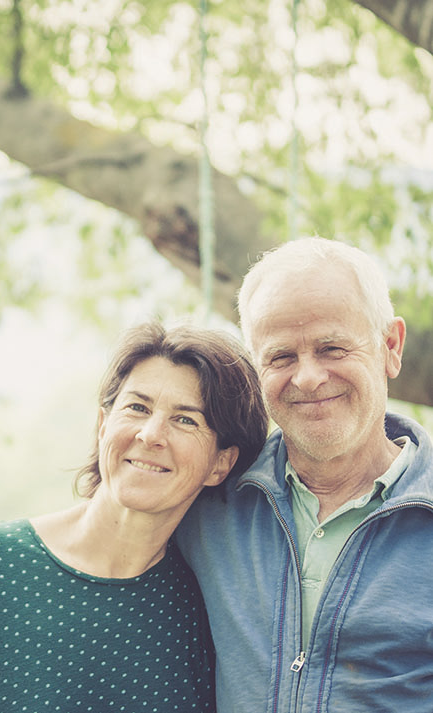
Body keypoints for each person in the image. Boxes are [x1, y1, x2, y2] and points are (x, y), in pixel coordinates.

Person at [177, 237, 433, 713]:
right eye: (281, 357)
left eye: (332, 348)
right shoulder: (210, 500)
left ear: (390, 347)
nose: (308, 377)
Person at [0, 322, 268, 713]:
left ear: (221, 463)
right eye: (138, 407)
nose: (151, 434)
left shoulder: (211, 610)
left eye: (185, 419)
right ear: (103, 426)